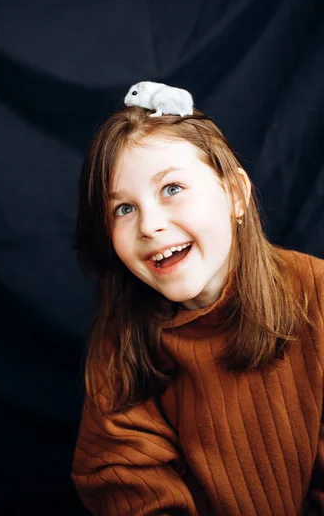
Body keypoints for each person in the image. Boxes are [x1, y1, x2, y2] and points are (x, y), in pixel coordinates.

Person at [71, 87, 324, 516]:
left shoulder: (316, 295)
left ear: (235, 195)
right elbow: (122, 477)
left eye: (172, 188)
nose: (150, 225)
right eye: (123, 209)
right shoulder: (124, 337)